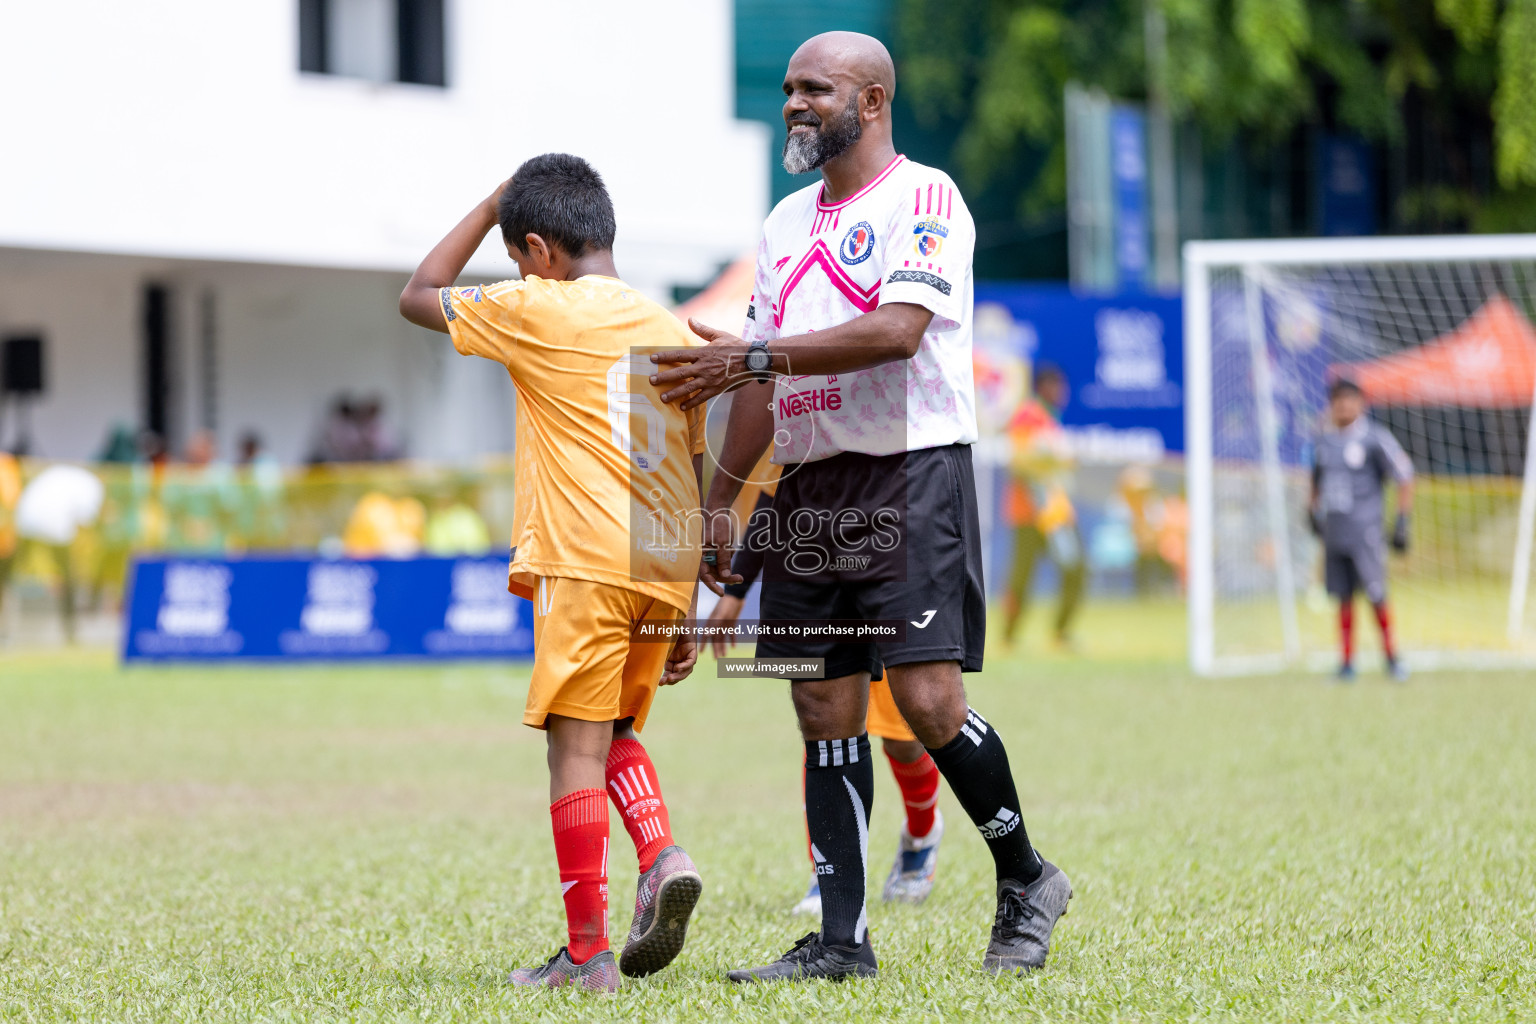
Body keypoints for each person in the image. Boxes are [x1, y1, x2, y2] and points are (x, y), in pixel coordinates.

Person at [651, 31, 1071, 980]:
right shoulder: (783, 223)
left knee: (925, 699)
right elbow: (756, 377)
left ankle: (1027, 878)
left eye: (815, 89)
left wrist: (752, 357)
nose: (795, 104)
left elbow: (897, 331)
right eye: (791, 89)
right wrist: (722, 503)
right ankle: (841, 943)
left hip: (910, 471)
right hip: (807, 488)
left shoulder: (927, 198)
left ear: (871, 101)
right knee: (819, 702)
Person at [399, 154, 707, 992]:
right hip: (663, 558)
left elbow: (419, 294)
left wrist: (490, 200)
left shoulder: (536, 306)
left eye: (513, 252)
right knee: (612, 731)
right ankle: (661, 853)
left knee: (572, 747)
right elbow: (690, 461)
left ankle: (586, 955)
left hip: (585, 557)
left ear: (536, 249)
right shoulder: (670, 326)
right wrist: (689, 602)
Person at [707, 455, 946, 913]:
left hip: (889, 575)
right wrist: (737, 592)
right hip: (824, 584)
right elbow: (771, 501)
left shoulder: (882, 415)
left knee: (904, 739)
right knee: (826, 726)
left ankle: (922, 832)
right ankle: (827, 872)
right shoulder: (801, 413)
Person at [1309, 378, 1414, 682]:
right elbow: (1315, 480)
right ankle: (1346, 663)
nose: (1343, 406)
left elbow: (1404, 476)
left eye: (1349, 400)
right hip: (1335, 531)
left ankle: (1392, 658)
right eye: (1337, 400)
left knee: (1376, 593)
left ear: (1360, 404)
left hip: (1366, 531)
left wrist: (1402, 520)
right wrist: (1311, 511)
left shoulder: (1374, 438)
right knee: (1342, 596)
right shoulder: (1323, 442)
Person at [1000, 364, 1085, 649]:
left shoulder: (1049, 418)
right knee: (1022, 578)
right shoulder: (1029, 415)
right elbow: (1020, 461)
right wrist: (1056, 459)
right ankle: (1009, 636)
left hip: (1053, 513)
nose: (1063, 393)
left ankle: (1060, 633)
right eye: (1057, 386)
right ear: (1044, 387)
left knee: (1074, 568)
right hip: (1029, 512)